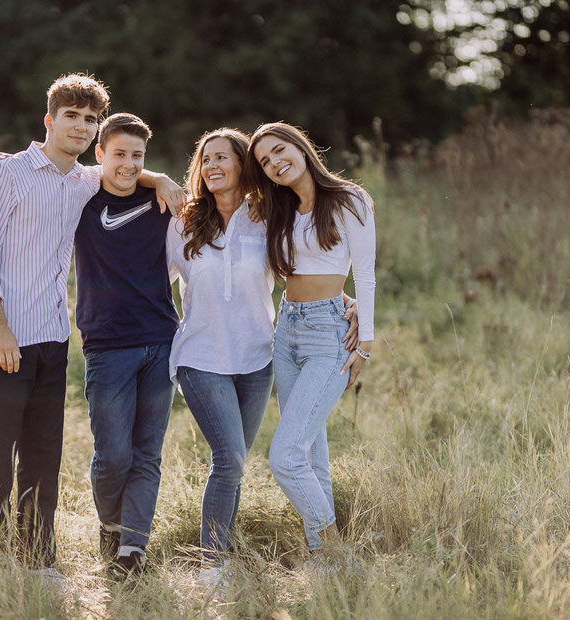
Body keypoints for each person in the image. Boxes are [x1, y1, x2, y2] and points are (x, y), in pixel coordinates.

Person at [0, 75, 182, 580]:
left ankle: (38, 559)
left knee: (43, 455)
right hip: (2, 337)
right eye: (71, 117)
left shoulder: (84, 180)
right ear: (49, 120)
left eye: (89, 120)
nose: (80, 127)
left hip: (53, 337)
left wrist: (161, 179)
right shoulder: (3, 175)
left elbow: (125, 172)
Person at [166, 128, 359, 588]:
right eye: (205, 159)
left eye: (223, 158)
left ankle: (242, 557)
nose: (212, 166)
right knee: (230, 458)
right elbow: (151, 282)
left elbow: (303, 269)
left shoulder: (267, 217)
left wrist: (344, 302)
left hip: (257, 359)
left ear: (242, 167)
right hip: (201, 356)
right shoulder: (181, 221)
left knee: (238, 459)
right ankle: (213, 563)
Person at [243, 122, 375, 567]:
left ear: (300, 148)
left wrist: (366, 341)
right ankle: (326, 562)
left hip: (329, 334)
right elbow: (209, 191)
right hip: (288, 329)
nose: (275, 163)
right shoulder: (275, 209)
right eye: (265, 161)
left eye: (280, 151)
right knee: (309, 451)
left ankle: (337, 552)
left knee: (284, 456)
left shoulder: (349, 199)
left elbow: (367, 273)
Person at [74, 113, 178, 577]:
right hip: (107, 344)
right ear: (100, 154)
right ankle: (110, 526)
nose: (129, 164)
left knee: (147, 453)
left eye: (138, 156)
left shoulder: (162, 201)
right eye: (119, 154)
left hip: (160, 339)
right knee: (113, 455)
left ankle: (132, 550)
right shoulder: (80, 197)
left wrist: (160, 180)